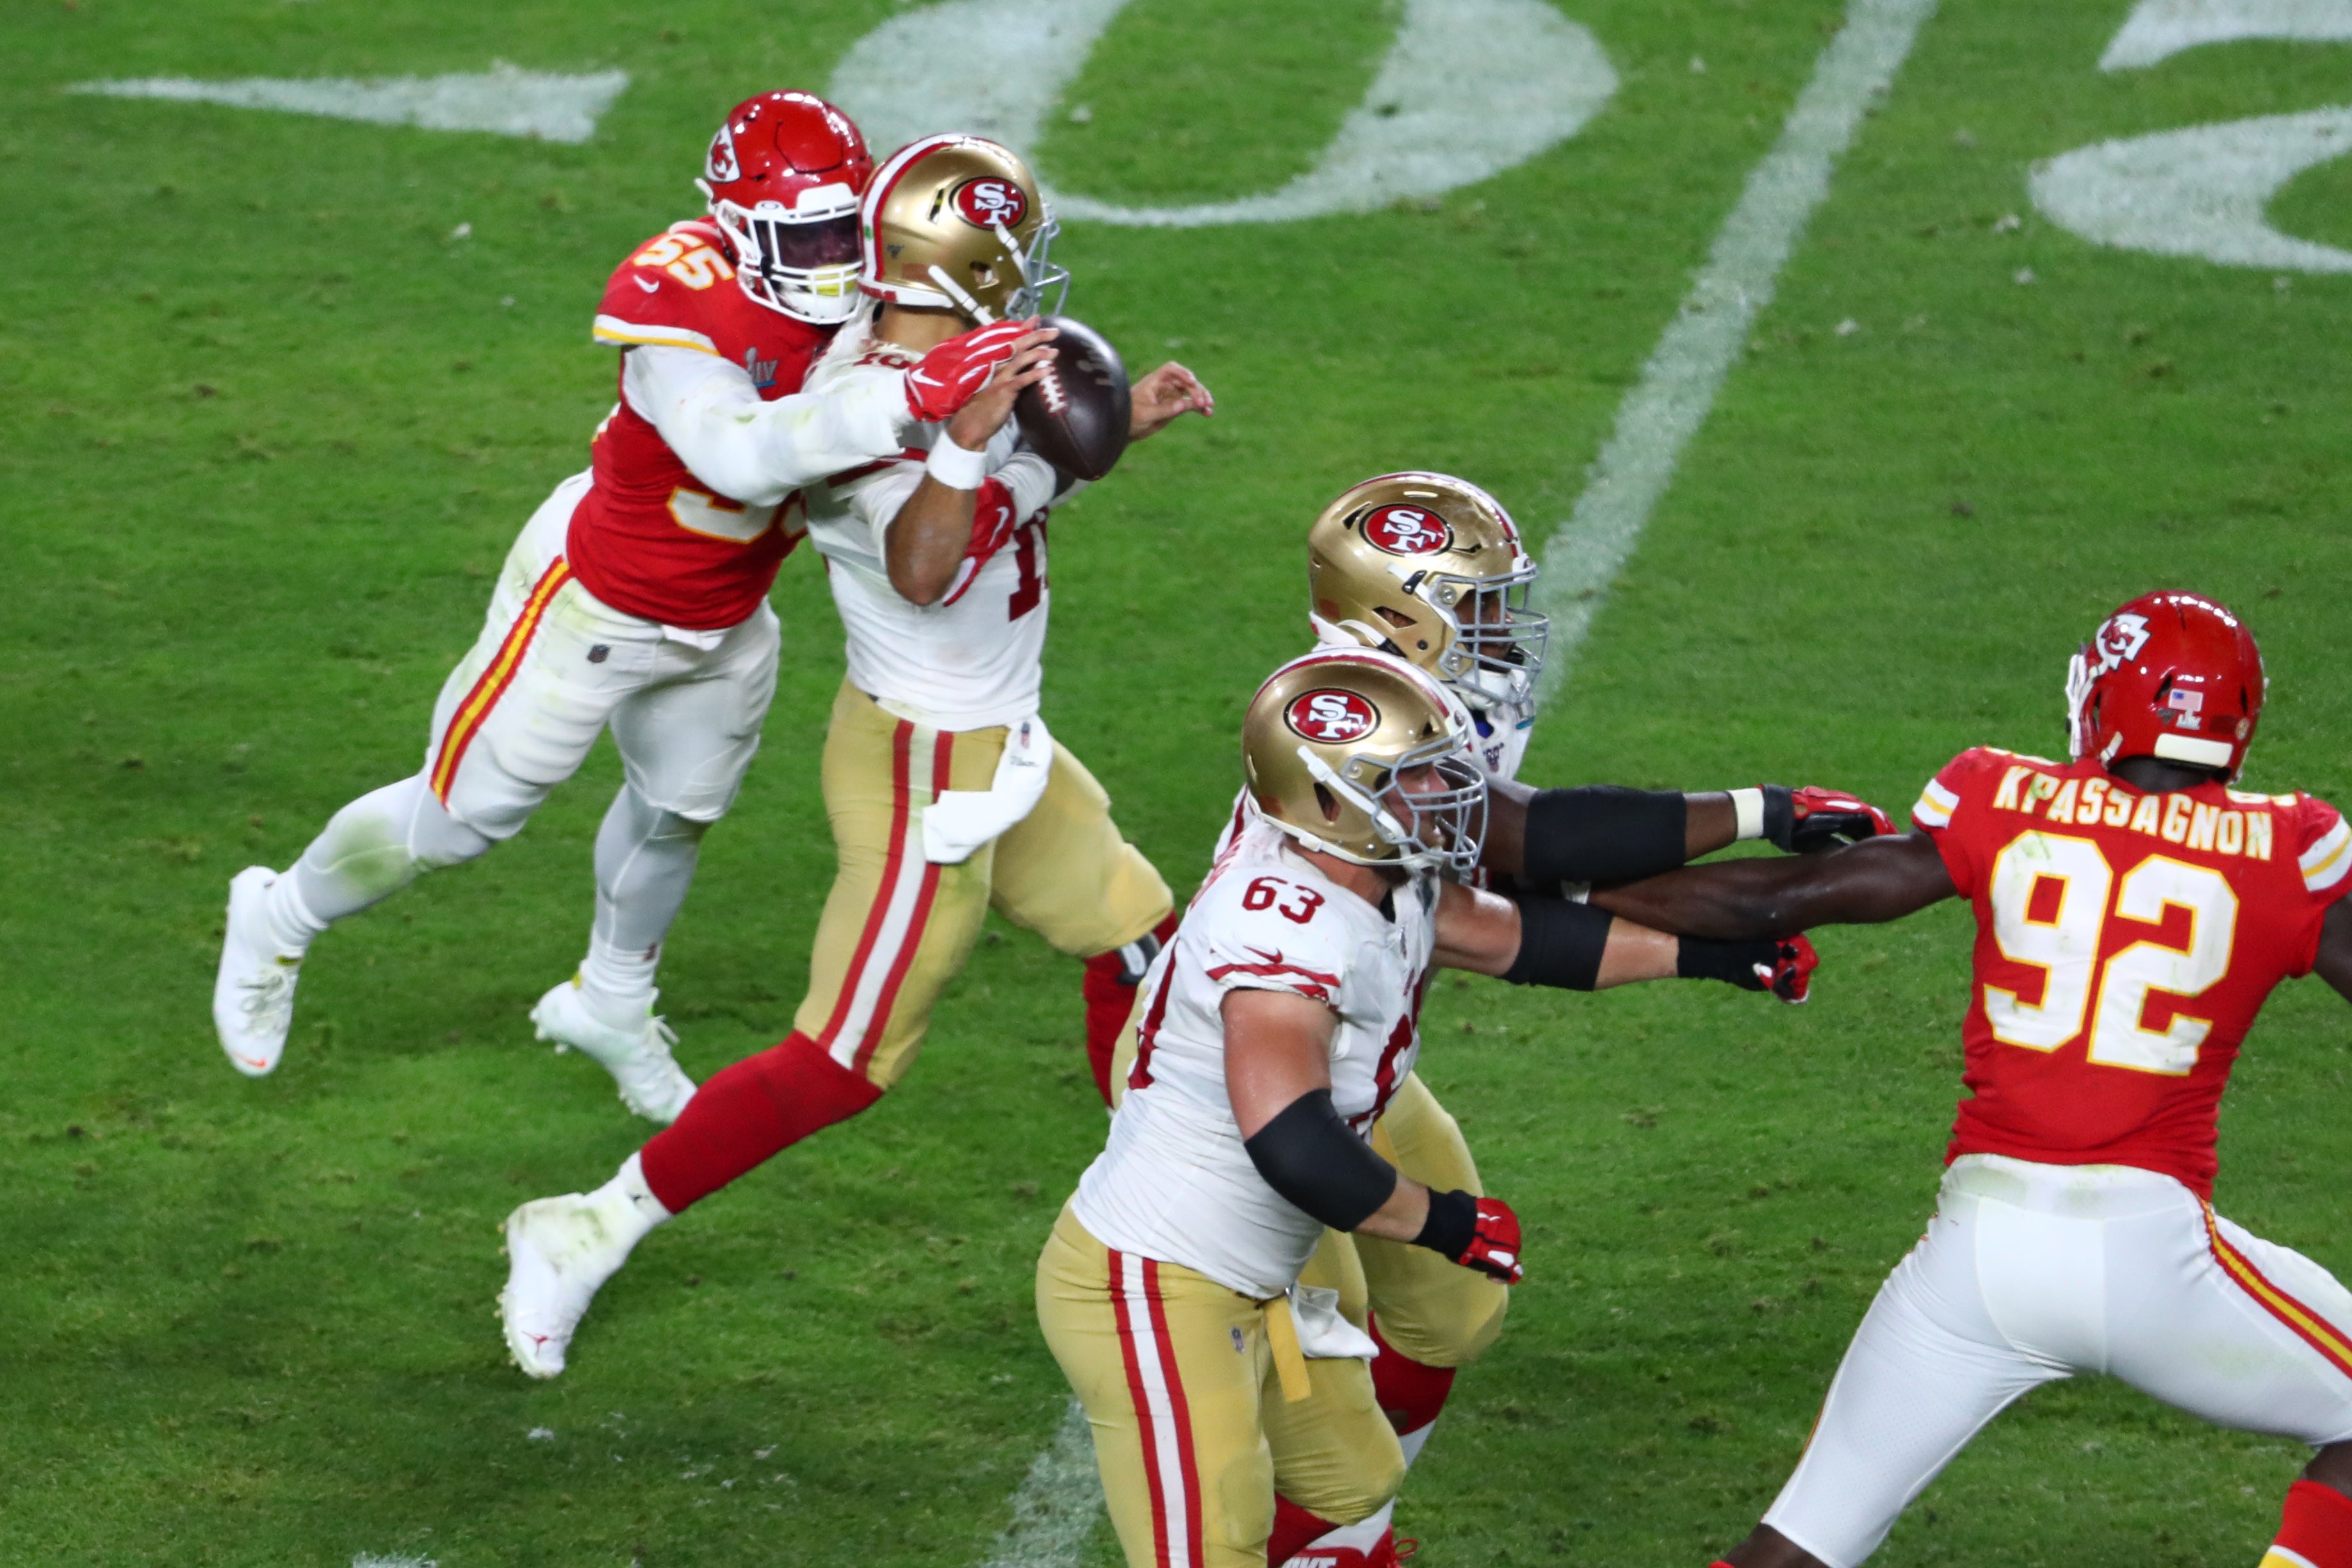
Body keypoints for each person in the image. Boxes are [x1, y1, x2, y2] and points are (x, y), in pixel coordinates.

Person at [494, 132, 1215, 1376]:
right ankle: (581, 1229)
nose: (1032, 272)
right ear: (971, 266)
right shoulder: (871, 404)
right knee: (843, 1063)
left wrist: (1113, 430)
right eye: (1014, 254)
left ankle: (1191, 1232)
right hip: (925, 770)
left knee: (1149, 951)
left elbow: (1003, 494)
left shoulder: (953, 363)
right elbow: (929, 565)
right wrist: (976, 443)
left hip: (1002, 752)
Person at [1113, 471, 1893, 1565]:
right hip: (1261, 1067)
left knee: (1456, 1306)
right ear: (1395, 611)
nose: (1498, 629)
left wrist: (1709, 950)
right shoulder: (1356, 714)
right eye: (1474, 604)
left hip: (1361, 1055)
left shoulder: (1411, 709)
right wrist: (1757, 814)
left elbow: (1501, 919)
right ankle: (1332, 1537)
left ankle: (1343, 1524)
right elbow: (1541, 850)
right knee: (1298, 1362)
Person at [209, 92, 1034, 1120]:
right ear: (734, 222)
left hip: (727, 620)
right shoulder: (677, 294)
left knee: (676, 817)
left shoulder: (869, 295)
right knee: (459, 824)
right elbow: (739, 454)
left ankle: (611, 1000)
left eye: (840, 227)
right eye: (803, 234)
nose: (829, 259)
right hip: (597, 602)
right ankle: (277, 915)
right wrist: (907, 396)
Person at [1587, 591, 2352, 1568]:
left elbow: (1787, 895)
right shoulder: (2292, 846)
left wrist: (1575, 886)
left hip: (1976, 1256)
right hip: (2153, 1254)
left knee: (1798, 1546)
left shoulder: (2003, 794)